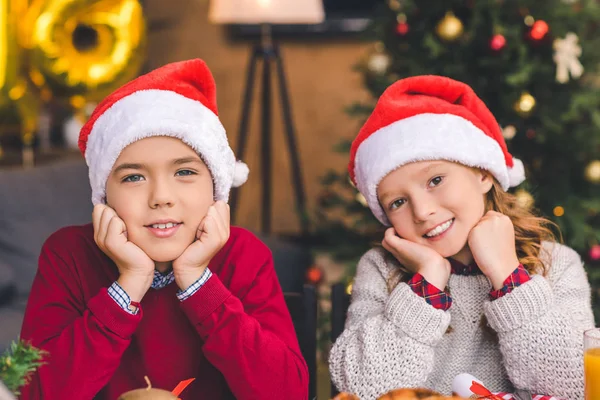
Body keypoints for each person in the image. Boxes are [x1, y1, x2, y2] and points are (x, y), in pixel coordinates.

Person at [19, 59, 308, 400]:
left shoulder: (244, 254)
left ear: (215, 188)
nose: (161, 198)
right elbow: (33, 392)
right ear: (104, 196)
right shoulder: (68, 254)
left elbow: (288, 393)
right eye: (133, 177)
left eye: (184, 172)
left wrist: (198, 283)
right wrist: (128, 286)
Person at [328, 75, 594, 400]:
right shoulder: (381, 270)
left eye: (436, 180)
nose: (422, 211)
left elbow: (577, 386)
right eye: (397, 202)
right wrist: (426, 284)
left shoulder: (555, 263)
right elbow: (361, 388)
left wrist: (508, 275)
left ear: (482, 172)